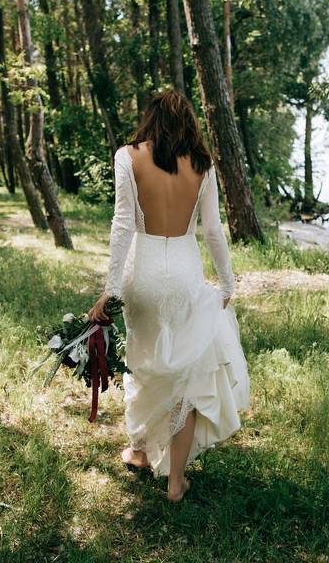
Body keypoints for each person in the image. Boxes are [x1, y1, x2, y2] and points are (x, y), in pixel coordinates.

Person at [88, 90, 250, 502]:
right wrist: (228, 284)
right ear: (188, 123)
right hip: (183, 273)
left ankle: (139, 451)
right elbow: (213, 230)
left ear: (151, 119)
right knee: (185, 371)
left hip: (140, 274)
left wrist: (110, 289)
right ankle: (175, 480)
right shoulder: (201, 165)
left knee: (143, 361)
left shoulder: (128, 156)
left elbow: (123, 225)